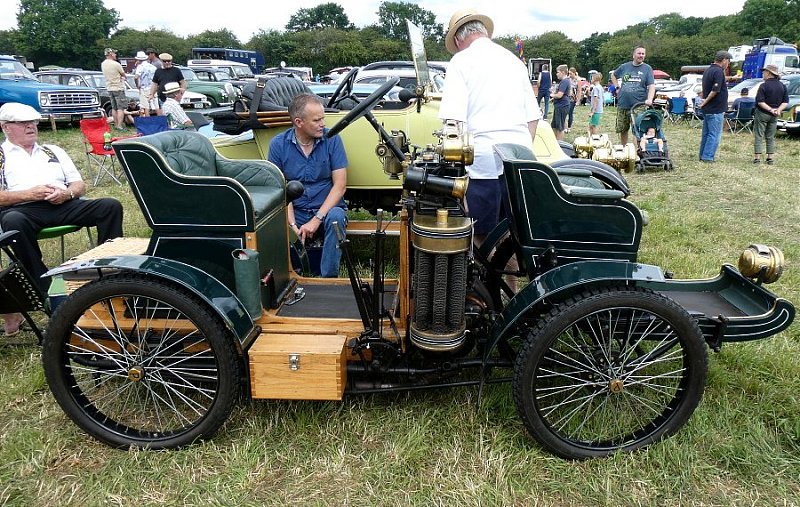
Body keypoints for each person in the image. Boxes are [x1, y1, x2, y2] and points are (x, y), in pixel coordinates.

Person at [0, 103, 124, 334]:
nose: (30, 127)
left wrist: (67, 193)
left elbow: (79, 183)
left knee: (109, 206)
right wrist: (28, 194)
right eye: (22, 123)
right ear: (6, 127)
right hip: (23, 208)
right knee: (14, 222)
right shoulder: (1, 155)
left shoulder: (52, 150)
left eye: (33, 122)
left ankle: (108, 271)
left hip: (62, 203)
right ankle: (43, 285)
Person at [438, 8, 541, 243]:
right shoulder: (514, 61)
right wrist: (521, 151)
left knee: (481, 236)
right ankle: (510, 281)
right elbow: (532, 118)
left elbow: (453, 123)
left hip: (481, 161)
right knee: (512, 235)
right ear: (484, 32)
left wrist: (456, 176)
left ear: (457, 39)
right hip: (518, 160)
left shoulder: (460, 61)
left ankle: (484, 279)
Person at [268, 93, 348, 278]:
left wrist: (317, 219)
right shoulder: (278, 145)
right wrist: (292, 225)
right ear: (298, 122)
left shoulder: (332, 139)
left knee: (336, 217)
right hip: (296, 210)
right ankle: (288, 275)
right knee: (271, 223)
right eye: (317, 120)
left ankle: (328, 279)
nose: (323, 124)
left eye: (323, 119)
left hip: (326, 209)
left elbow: (340, 186)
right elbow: (280, 189)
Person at [611, 47, 655, 145]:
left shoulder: (647, 68)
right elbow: (613, 75)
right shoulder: (624, 67)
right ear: (633, 55)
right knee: (622, 129)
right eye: (639, 53)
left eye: (643, 54)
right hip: (623, 103)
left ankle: (635, 153)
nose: (641, 55)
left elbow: (651, 86)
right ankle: (624, 150)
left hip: (639, 105)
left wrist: (650, 99)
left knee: (637, 129)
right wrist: (617, 87)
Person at [697, 50, 731, 163]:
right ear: (724, 60)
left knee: (706, 134)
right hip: (715, 109)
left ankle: (703, 155)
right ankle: (708, 157)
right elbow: (715, 90)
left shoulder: (708, 70)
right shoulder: (718, 71)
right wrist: (705, 101)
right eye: (728, 61)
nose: (728, 64)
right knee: (714, 134)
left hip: (708, 109)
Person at [753, 64, 789, 165]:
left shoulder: (763, 85)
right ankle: (770, 158)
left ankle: (757, 158)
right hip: (774, 115)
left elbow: (760, 101)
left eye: (764, 72)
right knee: (770, 136)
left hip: (762, 113)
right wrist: (777, 110)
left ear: (769, 73)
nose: (763, 73)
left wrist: (770, 109)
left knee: (759, 135)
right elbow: (785, 101)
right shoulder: (782, 86)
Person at [100, 48, 127, 131]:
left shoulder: (103, 64)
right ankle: (119, 125)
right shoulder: (116, 64)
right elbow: (123, 75)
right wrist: (122, 77)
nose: (116, 55)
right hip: (118, 88)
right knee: (120, 108)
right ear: (111, 54)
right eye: (114, 54)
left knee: (114, 108)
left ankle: (115, 124)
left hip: (109, 88)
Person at [133, 50, 158, 116]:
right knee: (156, 105)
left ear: (138, 59)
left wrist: (137, 85)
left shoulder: (140, 67)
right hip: (153, 88)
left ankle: (148, 121)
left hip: (144, 88)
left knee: (145, 106)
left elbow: (136, 77)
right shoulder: (153, 67)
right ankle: (160, 120)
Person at [550, 65, 571, 141]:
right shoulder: (564, 81)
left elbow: (559, 95)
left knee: (560, 127)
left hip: (562, 106)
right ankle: (555, 142)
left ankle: (560, 145)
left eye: (558, 72)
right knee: (554, 125)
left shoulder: (565, 81)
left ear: (563, 72)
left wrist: (552, 95)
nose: (556, 74)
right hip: (559, 106)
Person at [567, 67, 581, 133]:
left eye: (571, 73)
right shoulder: (567, 79)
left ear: (574, 73)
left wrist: (578, 100)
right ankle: (564, 127)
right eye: (569, 73)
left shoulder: (578, 80)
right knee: (565, 112)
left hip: (572, 99)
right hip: (566, 97)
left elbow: (579, 91)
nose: (570, 75)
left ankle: (569, 127)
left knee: (570, 112)